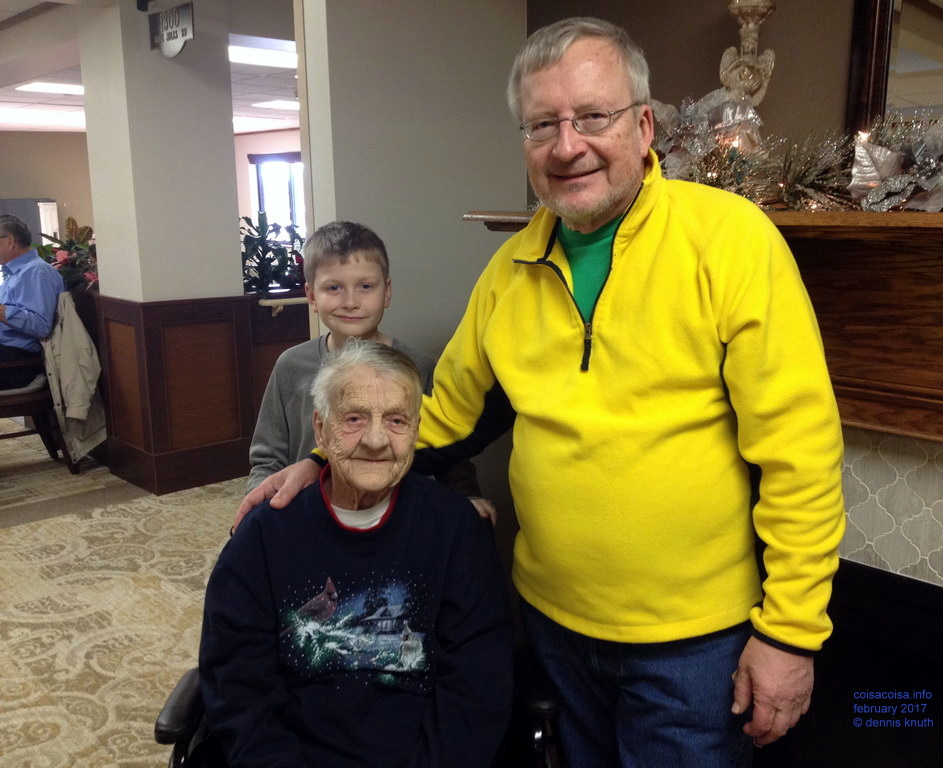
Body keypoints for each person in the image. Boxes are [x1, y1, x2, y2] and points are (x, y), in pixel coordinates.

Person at [238, 17, 846, 767]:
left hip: (694, 645)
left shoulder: (731, 241)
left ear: (645, 124)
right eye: (543, 125)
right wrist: (325, 464)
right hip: (552, 623)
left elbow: (802, 456)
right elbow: (439, 419)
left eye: (593, 116)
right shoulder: (510, 270)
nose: (568, 145)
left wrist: (789, 632)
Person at [201, 339, 514, 767]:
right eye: (353, 418)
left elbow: (478, 684)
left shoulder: (456, 529)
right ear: (320, 429)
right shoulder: (263, 537)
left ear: (417, 430)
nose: (375, 439)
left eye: (397, 420)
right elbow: (239, 689)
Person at [244, 220, 492, 523]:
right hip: (310, 521)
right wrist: (262, 507)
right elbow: (267, 458)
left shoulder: (420, 368)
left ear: (386, 292)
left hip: (397, 524)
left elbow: (449, 449)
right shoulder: (290, 366)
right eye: (334, 288)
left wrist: (467, 495)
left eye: (365, 287)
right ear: (311, 296)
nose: (350, 302)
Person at [0, 214, 64, 389]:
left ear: (10, 241)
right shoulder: (15, 273)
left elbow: (41, 326)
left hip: (18, 361)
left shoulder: (37, 272)